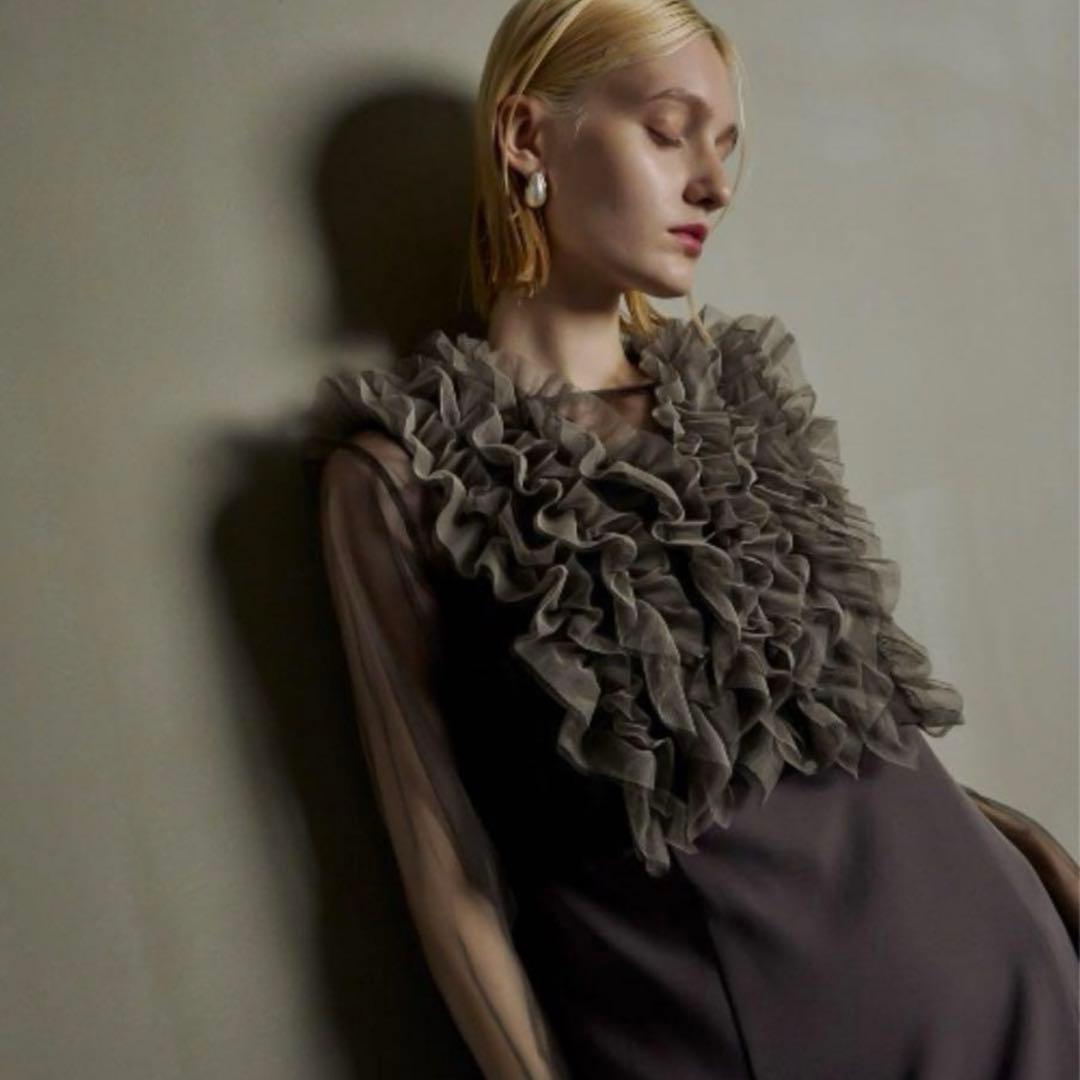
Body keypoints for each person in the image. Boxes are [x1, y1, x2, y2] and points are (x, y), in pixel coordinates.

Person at [304, 2, 1079, 1076]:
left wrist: (1026, 841)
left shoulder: (742, 413)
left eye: (724, 146)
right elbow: (448, 872)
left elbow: (840, 732)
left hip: (1005, 967)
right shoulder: (399, 481)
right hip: (738, 1033)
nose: (714, 183)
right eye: (670, 132)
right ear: (526, 137)